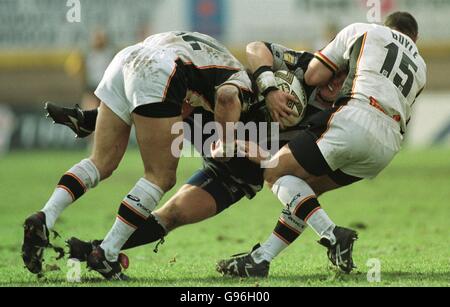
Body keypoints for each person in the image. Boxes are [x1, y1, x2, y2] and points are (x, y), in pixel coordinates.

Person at [45, 42, 347, 279]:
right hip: (218, 122)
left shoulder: (339, 117)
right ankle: (95, 118)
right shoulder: (308, 65)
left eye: (343, 81)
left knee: (170, 216)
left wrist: (243, 147)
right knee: (184, 103)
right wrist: (268, 87)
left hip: (238, 174)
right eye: (335, 73)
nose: (334, 83)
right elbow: (257, 48)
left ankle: (98, 250)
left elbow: (290, 165)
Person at [22, 31, 253, 280]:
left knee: (100, 163)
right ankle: (107, 254)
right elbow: (225, 98)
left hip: (125, 59)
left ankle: (45, 216)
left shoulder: (214, 55)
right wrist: (228, 142)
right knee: (160, 176)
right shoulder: (240, 80)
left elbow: (181, 105)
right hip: (161, 70)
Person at [216, 11, 427, 277]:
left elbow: (314, 76)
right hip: (388, 145)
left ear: (386, 26)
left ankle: (333, 235)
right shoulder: (421, 66)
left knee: (274, 172)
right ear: (415, 38)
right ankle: (261, 258)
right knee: (304, 193)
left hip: (356, 117)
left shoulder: (365, 30)